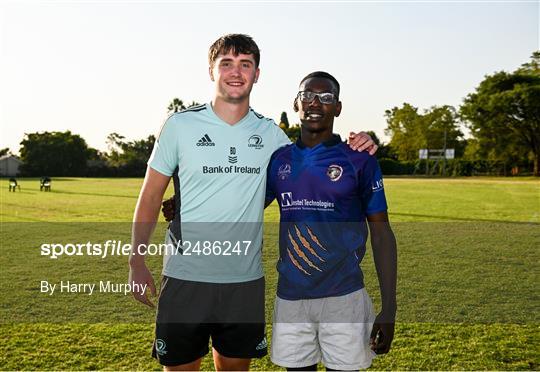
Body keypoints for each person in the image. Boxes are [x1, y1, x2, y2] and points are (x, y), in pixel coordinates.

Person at [130, 34, 377, 371]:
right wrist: (136, 262)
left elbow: (312, 159)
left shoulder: (272, 136)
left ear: (256, 74)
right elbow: (150, 196)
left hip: (243, 282)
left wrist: (360, 142)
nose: (236, 72)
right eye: (226, 63)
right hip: (186, 278)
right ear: (211, 71)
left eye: (245, 64)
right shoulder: (180, 125)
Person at [265, 71, 397, 371]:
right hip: (291, 298)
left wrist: (390, 307)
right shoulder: (279, 160)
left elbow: (382, 234)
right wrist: (183, 205)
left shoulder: (359, 159)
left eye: (326, 98)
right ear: (296, 103)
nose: (315, 103)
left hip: (344, 297)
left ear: (337, 108)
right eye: (308, 95)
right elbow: (241, 207)